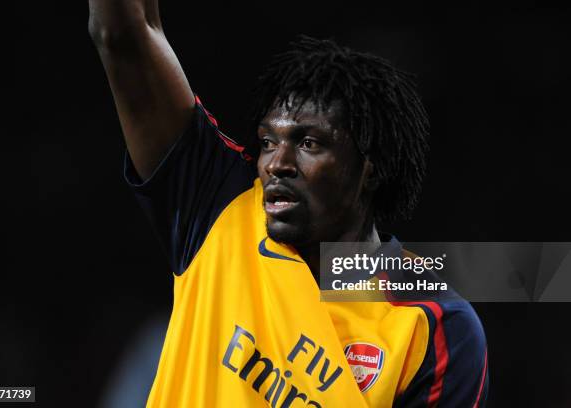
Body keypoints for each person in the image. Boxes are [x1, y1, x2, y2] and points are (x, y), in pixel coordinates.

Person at [88, 1, 489, 406]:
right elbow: (123, 34)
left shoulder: (434, 325)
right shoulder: (220, 205)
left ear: (371, 168)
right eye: (267, 142)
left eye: (309, 143)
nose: (277, 164)